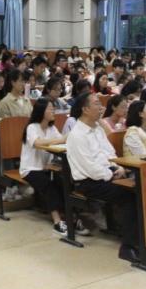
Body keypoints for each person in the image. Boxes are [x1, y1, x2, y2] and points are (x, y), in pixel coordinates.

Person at [66, 92, 140, 263]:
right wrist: (112, 174)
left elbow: (110, 153)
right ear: (85, 109)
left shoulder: (98, 129)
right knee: (130, 196)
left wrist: (118, 167)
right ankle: (128, 247)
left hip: (109, 174)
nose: (101, 107)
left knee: (142, 187)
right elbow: (91, 168)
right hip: (89, 182)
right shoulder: (77, 135)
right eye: (97, 104)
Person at [20, 98, 90, 237]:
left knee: (63, 183)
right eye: (50, 109)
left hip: (46, 168)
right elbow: (38, 143)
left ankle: (72, 218)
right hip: (30, 169)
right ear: (41, 111)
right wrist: (61, 139)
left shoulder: (51, 128)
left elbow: (62, 142)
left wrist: (68, 138)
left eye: (53, 108)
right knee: (49, 186)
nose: (53, 111)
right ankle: (57, 222)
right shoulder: (32, 127)